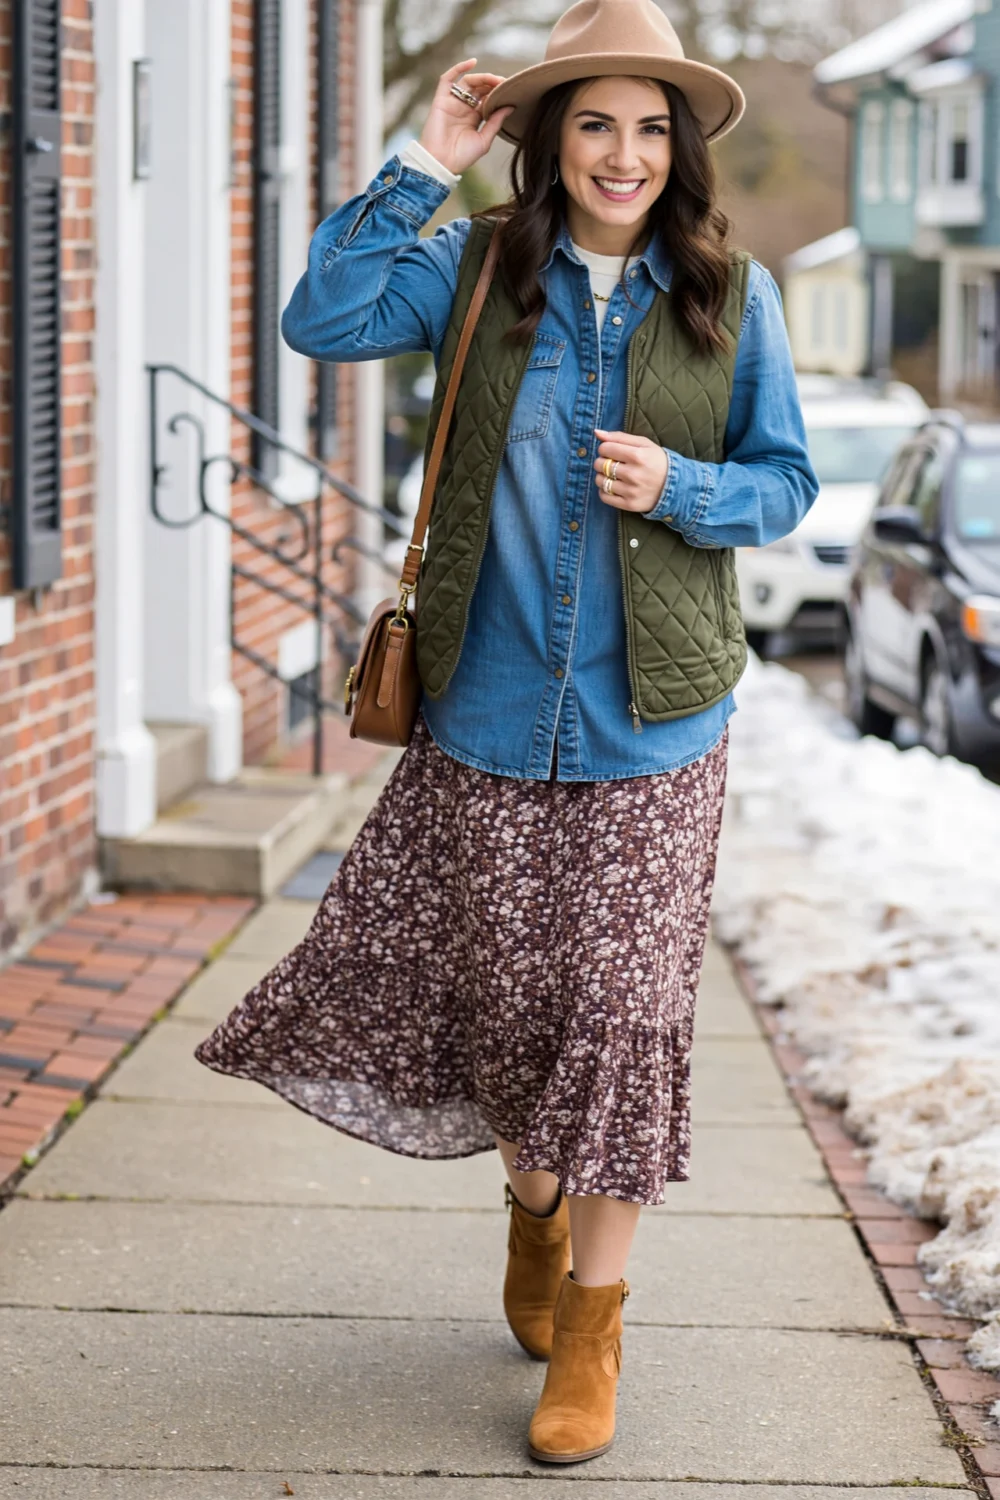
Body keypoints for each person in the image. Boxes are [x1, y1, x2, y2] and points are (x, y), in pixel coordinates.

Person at [196, 0, 817, 1465]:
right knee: (515, 1017)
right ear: (550, 138)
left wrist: (683, 484)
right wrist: (425, 159)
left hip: (658, 724)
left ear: (681, 148)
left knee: (622, 1020)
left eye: (650, 126)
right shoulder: (483, 268)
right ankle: (534, 1215)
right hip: (481, 715)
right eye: (593, 122)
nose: (622, 153)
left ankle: (595, 1325)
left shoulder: (731, 293)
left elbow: (785, 483)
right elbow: (322, 317)